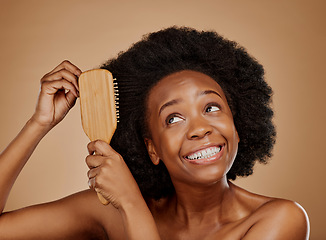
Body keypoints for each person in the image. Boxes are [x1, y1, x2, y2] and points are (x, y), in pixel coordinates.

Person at [0, 26, 309, 239]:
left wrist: (132, 205)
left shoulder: (279, 219)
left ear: (238, 124)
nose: (200, 129)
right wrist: (38, 124)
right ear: (151, 149)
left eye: (212, 108)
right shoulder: (108, 211)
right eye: (173, 118)